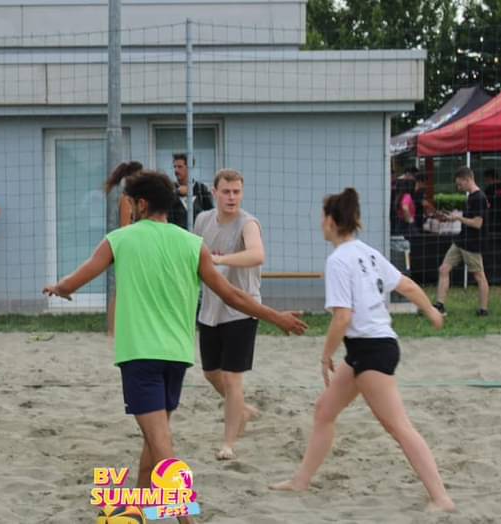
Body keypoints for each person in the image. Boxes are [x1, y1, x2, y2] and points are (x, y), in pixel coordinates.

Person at [43, 171, 307, 524]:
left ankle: (185, 518)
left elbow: (78, 278)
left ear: (140, 204)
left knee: (161, 443)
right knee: (154, 438)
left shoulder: (119, 239)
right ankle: (136, 510)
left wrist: (59, 288)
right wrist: (276, 317)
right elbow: (232, 295)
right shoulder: (192, 244)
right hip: (177, 357)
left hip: (140, 356)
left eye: (130, 203)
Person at [268, 187, 455, 513]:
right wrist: (431, 311)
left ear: (331, 221)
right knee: (324, 410)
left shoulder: (338, 260)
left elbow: (343, 317)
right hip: (368, 348)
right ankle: (301, 481)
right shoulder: (367, 252)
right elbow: (407, 285)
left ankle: (441, 498)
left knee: (398, 426)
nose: (320, 223)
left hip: (371, 351)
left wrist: (325, 355)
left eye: (322, 217)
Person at [194, 169, 264, 460]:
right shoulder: (202, 220)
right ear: (215, 193)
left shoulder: (248, 223)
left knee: (233, 379)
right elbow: (192, 255)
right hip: (211, 308)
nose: (232, 197)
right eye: (226, 192)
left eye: (236, 192)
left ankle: (228, 444)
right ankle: (242, 409)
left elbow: (257, 255)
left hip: (241, 310)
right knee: (210, 373)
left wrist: (219, 259)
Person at [433, 167, 489, 316]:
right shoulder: (471, 197)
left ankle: (483, 310)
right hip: (461, 240)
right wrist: (451, 218)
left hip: (472, 243)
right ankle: (440, 306)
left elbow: (477, 223)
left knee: (479, 276)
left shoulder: (479, 198)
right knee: (443, 269)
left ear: (467, 179)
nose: (459, 188)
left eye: (460, 184)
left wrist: (457, 218)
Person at [104, 161, 144, 336]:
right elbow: (125, 227)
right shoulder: (127, 199)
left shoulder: (132, 199)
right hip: (129, 249)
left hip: (132, 247)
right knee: (120, 290)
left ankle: (121, 328)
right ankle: (112, 330)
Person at [167, 153, 214, 230]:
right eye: (174, 167)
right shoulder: (169, 189)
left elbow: (211, 214)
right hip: (175, 234)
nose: (176, 170)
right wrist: (176, 192)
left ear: (190, 168)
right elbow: (163, 209)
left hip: (197, 234)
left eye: (180, 167)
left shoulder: (201, 189)